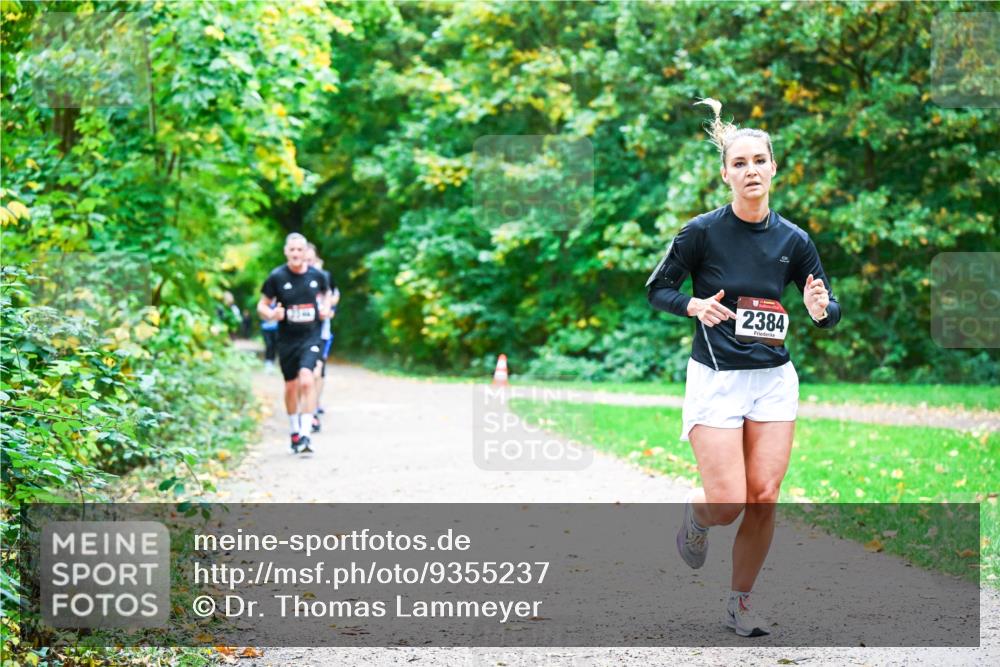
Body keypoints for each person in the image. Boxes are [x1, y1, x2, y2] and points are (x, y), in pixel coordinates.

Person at [645, 97, 841, 637]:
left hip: (773, 380)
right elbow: (657, 289)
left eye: (759, 160)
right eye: (739, 163)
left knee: (764, 495)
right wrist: (693, 305)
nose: (750, 170)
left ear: (773, 168)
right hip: (717, 378)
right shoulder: (701, 232)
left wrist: (821, 310)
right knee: (728, 501)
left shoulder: (794, 240)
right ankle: (697, 514)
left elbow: (828, 308)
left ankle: (741, 603)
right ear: (725, 174)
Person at [257, 233, 332, 454]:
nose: (296, 254)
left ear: (305, 252)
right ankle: (294, 431)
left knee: (307, 380)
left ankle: (306, 435)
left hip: (311, 336)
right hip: (287, 339)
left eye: (300, 250)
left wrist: (326, 308)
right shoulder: (277, 277)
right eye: (292, 250)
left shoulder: (317, 276)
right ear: (286, 252)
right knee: (291, 386)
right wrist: (272, 314)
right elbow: (262, 305)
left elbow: (327, 294)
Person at [304, 243, 340, 432]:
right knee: (305, 373)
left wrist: (329, 308)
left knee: (318, 371)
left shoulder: (325, 277)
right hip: (299, 333)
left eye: (311, 260)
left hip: (321, 332)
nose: (308, 263)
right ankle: (306, 410)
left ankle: (313, 409)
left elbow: (334, 296)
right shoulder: (292, 277)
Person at [261, 305, 279, 372]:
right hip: (266, 328)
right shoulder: (265, 303)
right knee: (269, 345)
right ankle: (268, 362)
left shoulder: (278, 303)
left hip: (276, 328)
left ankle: (272, 362)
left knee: (275, 346)